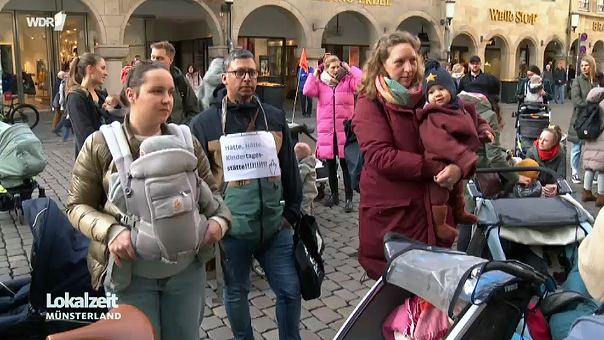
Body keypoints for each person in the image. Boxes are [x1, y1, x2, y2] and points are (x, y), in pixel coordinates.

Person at [66, 61, 232, 340]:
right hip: (130, 276)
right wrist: (111, 231)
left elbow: (213, 194)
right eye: (156, 91)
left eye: (169, 91)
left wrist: (220, 222)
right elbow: (76, 206)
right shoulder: (101, 144)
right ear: (131, 94)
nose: (167, 99)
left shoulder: (185, 140)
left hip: (186, 273)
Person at [189, 49, 302, 340]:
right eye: (240, 72)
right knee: (236, 292)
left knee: (290, 291)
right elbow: (196, 181)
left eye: (252, 72)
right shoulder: (204, 123)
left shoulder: (274, 117)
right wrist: (211, 222)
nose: (248, 78)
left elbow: (289, 167)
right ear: (224, 78)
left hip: (275, 229)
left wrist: (291, 212)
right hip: (233, 231)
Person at [353, 31, 473, 280]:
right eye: (399, 62)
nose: (408, 68)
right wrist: (435, 168)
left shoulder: (431, 96)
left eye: (413, 60)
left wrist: (460, 169)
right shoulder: (370, 102)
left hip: (435, 213)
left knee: (434, 298)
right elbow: (379, 155)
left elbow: (463, 137)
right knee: (396, 299)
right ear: (382, 65)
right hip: (394, 216)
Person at [416, 61, 494, 242]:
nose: (437, 95)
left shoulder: (462, 106)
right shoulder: (432, 116)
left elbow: (477, 120)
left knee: (459, 189)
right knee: (439, 194)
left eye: (441, 89)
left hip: (457, 160)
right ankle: (440, 224)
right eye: (431, 92)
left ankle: (460, 212)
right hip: (439, 161)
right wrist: (464, 157)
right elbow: (441, 142)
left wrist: (485, 131)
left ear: (451, 89)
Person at [303, 55, 362, 212]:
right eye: (332, 67)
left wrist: (351, 69)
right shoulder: (321, 84)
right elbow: (307, 90)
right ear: (326, 68)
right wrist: (313, 74)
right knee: (330, 166)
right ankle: (334, 194)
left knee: (346, 165)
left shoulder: (348, 81)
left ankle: (349, 197)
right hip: (327, 131)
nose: (336, 70)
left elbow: (363, 83)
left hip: (344, 130)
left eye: (338, 67)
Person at [65, 53, 109, 157]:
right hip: (90, 160)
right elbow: (84, 134)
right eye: (102, 68)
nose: (106, 73)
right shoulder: (76, 97)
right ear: (90, 69)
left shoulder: (102, 95)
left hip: (106, 157)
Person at [150, 41, 200, 124]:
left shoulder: (180, 82)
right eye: (153, 57)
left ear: (170, 60)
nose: (155, 61)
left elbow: (194, 110)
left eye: (159, 58)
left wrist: (183, 129)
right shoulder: (142, 81)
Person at [569, 55, 597, 184]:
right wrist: (590, 105)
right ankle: (574, 171)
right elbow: (576, 99)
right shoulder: (577, 81)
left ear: (591, 66)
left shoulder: (596, 81)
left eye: (586, 65)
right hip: (580, 118)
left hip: (595, 118)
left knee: (592, 147)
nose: (584, 68)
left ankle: (592, 172)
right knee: (576, 146)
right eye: (582, 65)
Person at [581, 73, 604, 206]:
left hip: (590, 134)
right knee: (602, 167)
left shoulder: (592, 97)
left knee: (590, 165)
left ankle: (586, 191)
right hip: (602, 137)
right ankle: (601, 195)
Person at [525, 125, 566, 197]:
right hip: (533, 189)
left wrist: (557, 186)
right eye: (540, 139)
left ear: (554, 143)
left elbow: (561, 176)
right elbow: (526, 177)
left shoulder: (561, 154)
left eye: (546, 140)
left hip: (551, 189)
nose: (541, 142)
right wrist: (538, 188)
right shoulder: (531, 152)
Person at [295, 142, 318, 216]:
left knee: (304, 207)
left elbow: (299, 180)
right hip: (311, 191)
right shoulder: (310, 163)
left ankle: (306, 219)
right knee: (309, 205)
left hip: (306, 192)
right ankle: (311, 215)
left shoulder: (304, 167)